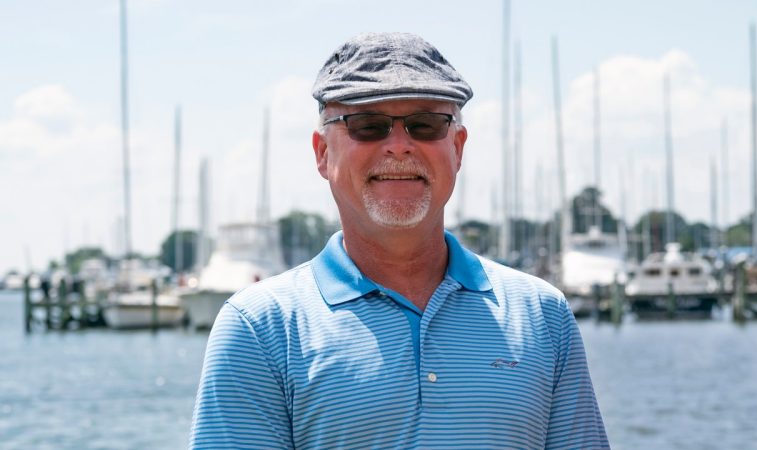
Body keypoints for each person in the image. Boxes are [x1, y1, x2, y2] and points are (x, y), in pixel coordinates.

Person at [191, 32, 609, 449]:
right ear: (323, 153)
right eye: (367, 125)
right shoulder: (260, 329)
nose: (399, 146)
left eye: (425, 125)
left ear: (458, 149)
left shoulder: (544, 316)